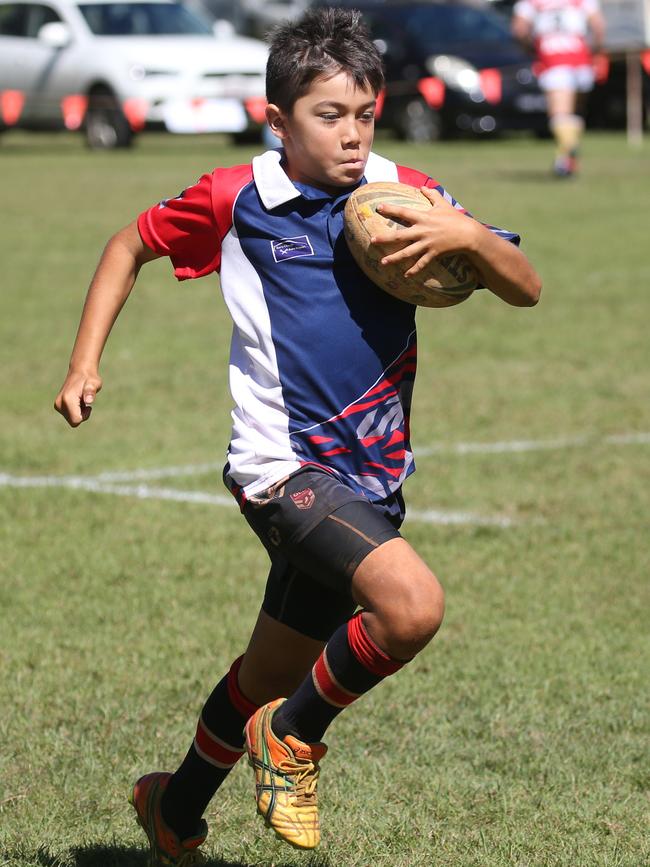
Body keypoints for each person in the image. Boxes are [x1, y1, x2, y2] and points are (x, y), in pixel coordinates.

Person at [54, 7, 542, 864]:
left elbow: (525, 285)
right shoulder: (236, 199)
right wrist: (84, 361)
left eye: (365, 113)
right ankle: (293, 741)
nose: (352, 136)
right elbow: (127, 243)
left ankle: (173, 807)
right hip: (282, 470)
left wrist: (466, 233)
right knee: (411, 607)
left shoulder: (407, 194)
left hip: (373, 480)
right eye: (328, 116)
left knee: (266, 673)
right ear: (276, 119)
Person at [511, 0, 606, 177]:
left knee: (560, 114)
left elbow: (519, 29)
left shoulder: (532, 2)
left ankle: (569, 147)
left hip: (552, 56)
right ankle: (565, 160)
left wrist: (531, 48)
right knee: (574, 112)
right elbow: (598, 26)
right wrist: (595, 50)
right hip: (580, 56)